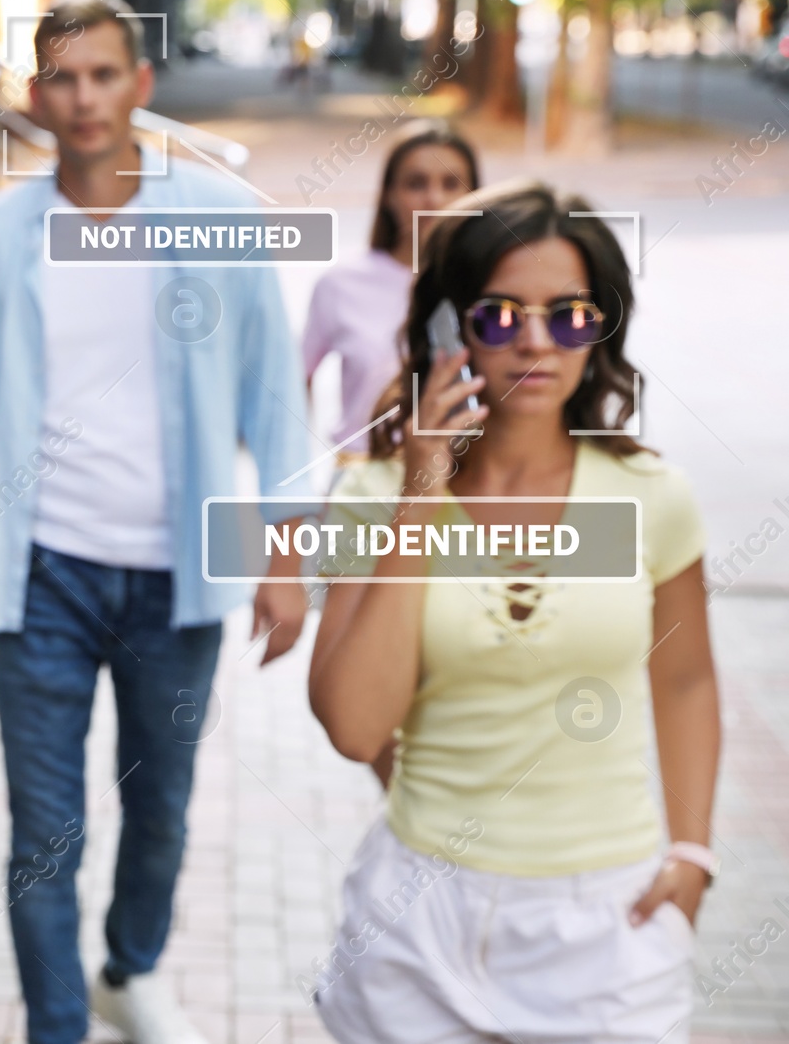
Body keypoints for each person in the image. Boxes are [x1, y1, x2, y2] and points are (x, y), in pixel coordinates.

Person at [0, 0, 318, 1044]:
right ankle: (55, 1024)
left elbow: (273, 395)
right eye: (61, 76)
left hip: (175, 576)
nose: (83, 96)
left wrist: (286, 552)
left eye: (103, 74)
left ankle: (128, 966)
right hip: (40, 574)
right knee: (43, 830)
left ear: (139, 85)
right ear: (35, 93)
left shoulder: (217, 216)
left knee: (160, 813)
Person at [307, 181, 720, 1042]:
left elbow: (684, 680)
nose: (536, 340)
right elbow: (354, 724)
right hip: (415, 924)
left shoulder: (653, 495)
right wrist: (421, 486)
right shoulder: (370, 496)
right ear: (447, 328)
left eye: (568, 315)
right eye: (499, 315)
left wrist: (692, 853)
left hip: (611, 925)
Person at [301, 121, 479, 456]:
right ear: (388, 194)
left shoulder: (496, 284)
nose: (434, 198)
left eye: (451, 184)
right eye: (416, 184)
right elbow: (295, 378)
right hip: (364, 481)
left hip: (467, 484)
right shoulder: (341, 284)